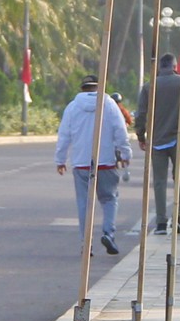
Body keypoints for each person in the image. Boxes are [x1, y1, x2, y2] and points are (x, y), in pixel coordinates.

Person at [54, 73, 132, 256]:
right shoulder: (110, 105)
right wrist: (125, 152)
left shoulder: (72, 107)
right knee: (109, 199)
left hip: (81, 163)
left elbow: (64, 135)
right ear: (99, 88)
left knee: (84, 204)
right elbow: (121, 131)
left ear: (83, 89)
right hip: (105, 161)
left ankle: (85, 242)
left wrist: (60, 159)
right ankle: (108, 233)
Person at [133, 54, 180, 235]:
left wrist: (141, 135)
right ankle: (178, 219)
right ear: (175, 66)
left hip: (156, 140)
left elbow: (141, 113)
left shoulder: (149, 86)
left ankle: (161, 222)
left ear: (160, 67)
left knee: (159, 181)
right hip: (179, 138)